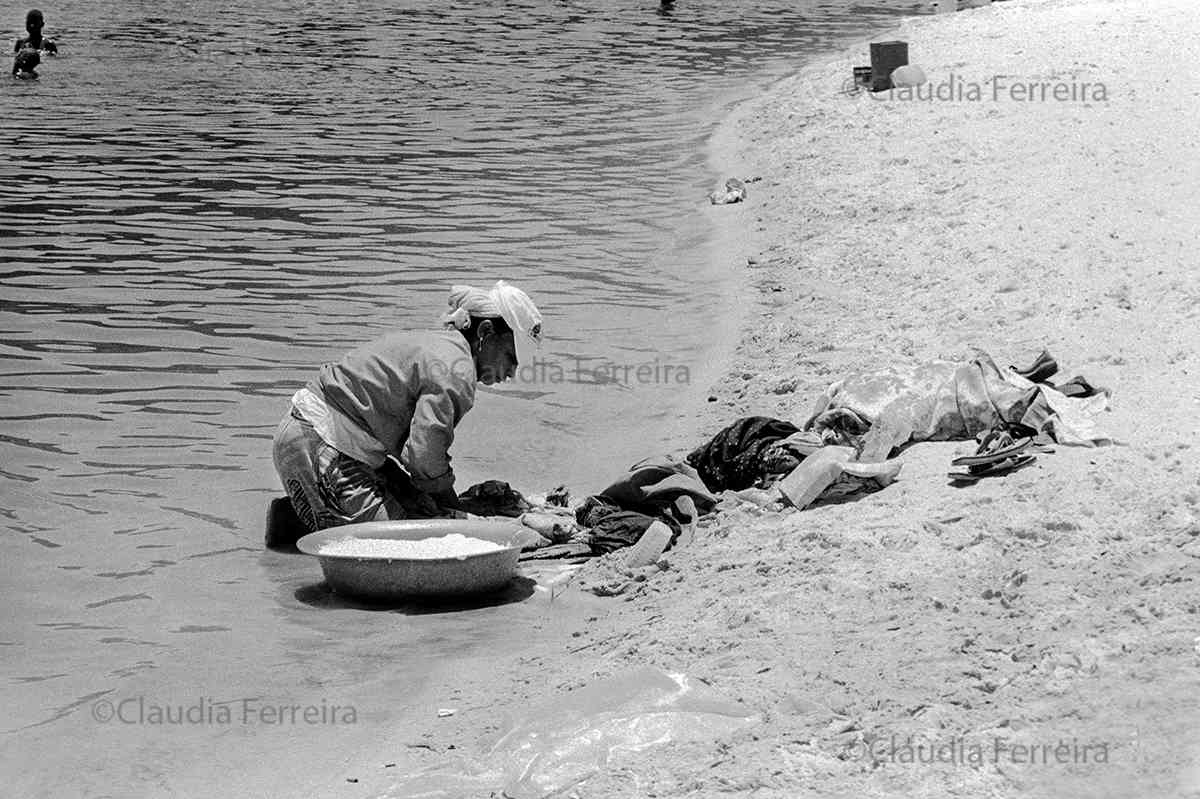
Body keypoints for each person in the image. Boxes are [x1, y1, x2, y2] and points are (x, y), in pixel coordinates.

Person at [269, 281, 542, 541]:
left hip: (318, 437)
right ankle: (313, 515)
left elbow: (418, 455)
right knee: (408, 541)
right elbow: (424, 456)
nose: (511, 373)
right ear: (484, 333)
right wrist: (456, 513)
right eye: (509, 358)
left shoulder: (443, 347)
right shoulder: (455, 370)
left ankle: (303, 517)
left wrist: (440, 501)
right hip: (320, 445)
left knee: (421, 509)